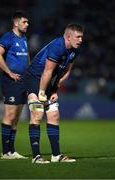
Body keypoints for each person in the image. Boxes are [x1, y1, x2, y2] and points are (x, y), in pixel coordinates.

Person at [26, 23, 84, 163]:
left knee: (54, 114)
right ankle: (36, 157)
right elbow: (47, 71)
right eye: (78, 37)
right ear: (68, 37)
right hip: (34, 79)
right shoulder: (58, 46)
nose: (81, 40)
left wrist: (54, 90)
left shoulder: (74, 51)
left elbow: (66, 72)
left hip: (47, 82)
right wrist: (41, 92)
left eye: (82, 37)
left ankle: (56, 156)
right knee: (37, 113)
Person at [0, 10, 29, 159]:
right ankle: (5, 151)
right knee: (9, 115)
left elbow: (27, 57)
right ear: (16, 23)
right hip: (11, 81)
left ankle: (12, 150)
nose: (27, 24)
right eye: (24, 22)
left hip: (22, 81)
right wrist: (9, 72)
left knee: (16, 117)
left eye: (27, 22)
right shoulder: (8, 37)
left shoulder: (24, 38)